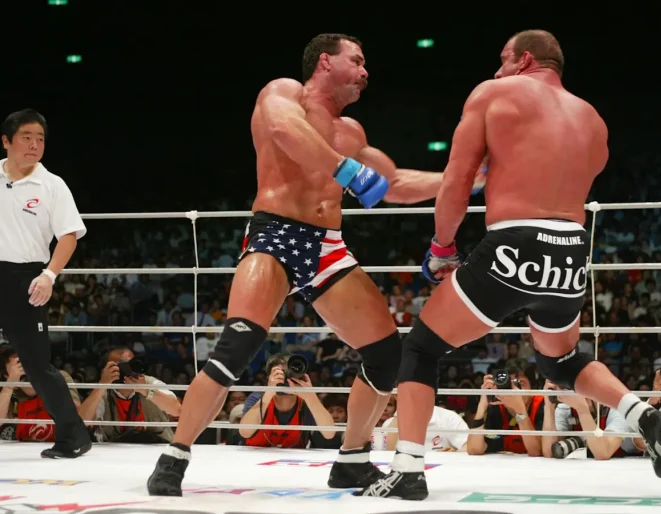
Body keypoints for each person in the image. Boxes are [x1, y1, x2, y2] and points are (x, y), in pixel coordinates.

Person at [146, 33, 484, 496]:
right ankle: (175, 456)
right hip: (276, 234)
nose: (365, 72)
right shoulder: (284, 93)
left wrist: (463, 179)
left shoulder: (352, 132)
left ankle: (352, 459)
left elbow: (394, 183)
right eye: (357, 60)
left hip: (327, 246)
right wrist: (346, 170)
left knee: (387, 355)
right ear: (325, 61)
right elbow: (287, 132)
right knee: (236, 348)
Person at [358, 30, 661, 500]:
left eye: (503, 59)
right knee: (561, 360)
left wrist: (443, 247)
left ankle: (408, 469)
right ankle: (641, 412)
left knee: (422, 348)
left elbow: (457, 181)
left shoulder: (493, 94)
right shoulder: (593, 119)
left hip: (516, 241)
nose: (497, 70)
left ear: (526, 58)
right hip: (572, 249)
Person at [0, 108, 92, 458]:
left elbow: (69, 235)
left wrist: (49, 275)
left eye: (40, 138)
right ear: (6, 141)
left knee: (37, 365)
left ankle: (73, 436)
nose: (34, 144)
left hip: (27, 277)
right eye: (26, 137)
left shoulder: (52, 184)